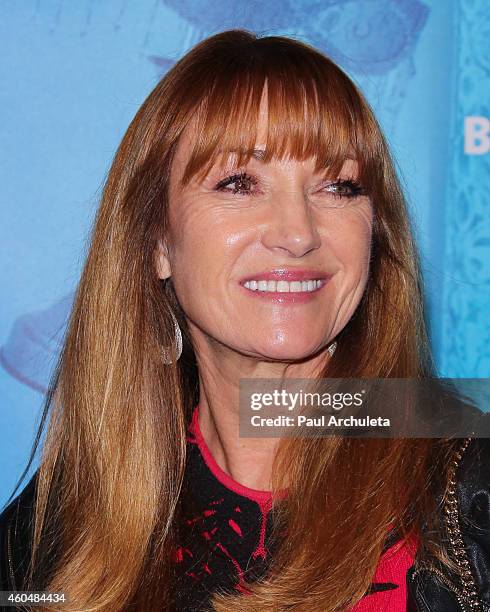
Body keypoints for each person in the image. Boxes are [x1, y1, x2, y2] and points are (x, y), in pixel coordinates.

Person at [0, 29, 489, 612]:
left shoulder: (467, 484)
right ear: (158, 240)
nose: (298, 233)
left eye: (339, 186)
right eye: (239, 183)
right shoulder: (63, 522)